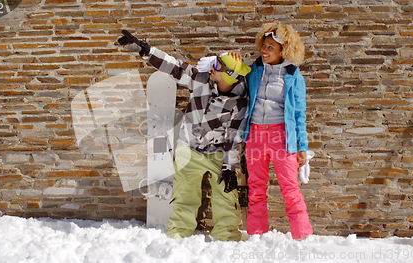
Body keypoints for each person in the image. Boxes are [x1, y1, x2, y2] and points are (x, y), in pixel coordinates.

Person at [117, 30, 251, 241]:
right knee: (184, 196)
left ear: (229, 75)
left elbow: (234, 138)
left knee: (226, 196)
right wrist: (145, 49)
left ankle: (227, 238)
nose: (211, 67)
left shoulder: (239, 103)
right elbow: (174, 67)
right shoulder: (200, 80)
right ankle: (178, 236)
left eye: (217, 65)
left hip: (217, 153)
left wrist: (228, 169)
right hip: (188, 150)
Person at [232, 22, 313, 240]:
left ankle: (302, 236)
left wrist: (302, 147)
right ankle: (257, 234)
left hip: (281, 137)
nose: (264, 51)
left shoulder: (293, 76)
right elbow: (231, 71)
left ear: (282, 51)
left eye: (270, 47)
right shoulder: (254, 70)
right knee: (256, 188)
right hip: (255, 136)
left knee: (290, 188)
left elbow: (299, 114)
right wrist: (232, 60)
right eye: (264, 45)